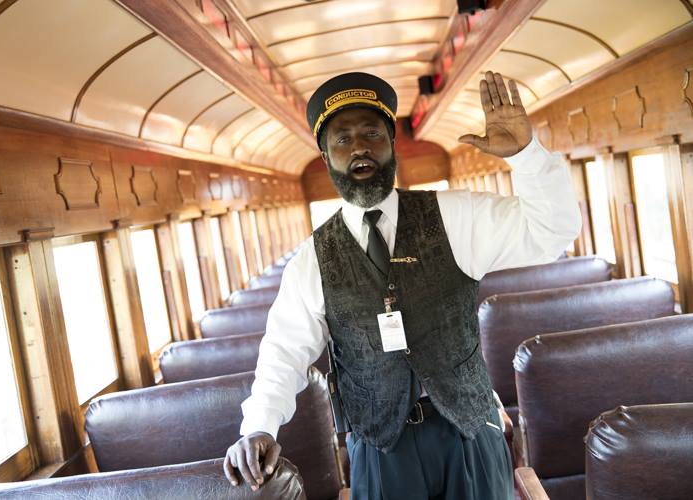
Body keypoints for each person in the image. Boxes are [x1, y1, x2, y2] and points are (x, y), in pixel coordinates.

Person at [223, 71, 581, 499]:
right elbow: (284, 350)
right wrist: (259, 424)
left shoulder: (456, 216)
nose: (359, 146)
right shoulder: (311, 260)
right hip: (381, 449)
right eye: (342, 138)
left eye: (372, 132)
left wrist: (526, 155)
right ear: (326, 159)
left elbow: (552, 232)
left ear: (392, 144)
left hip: (470, 430)